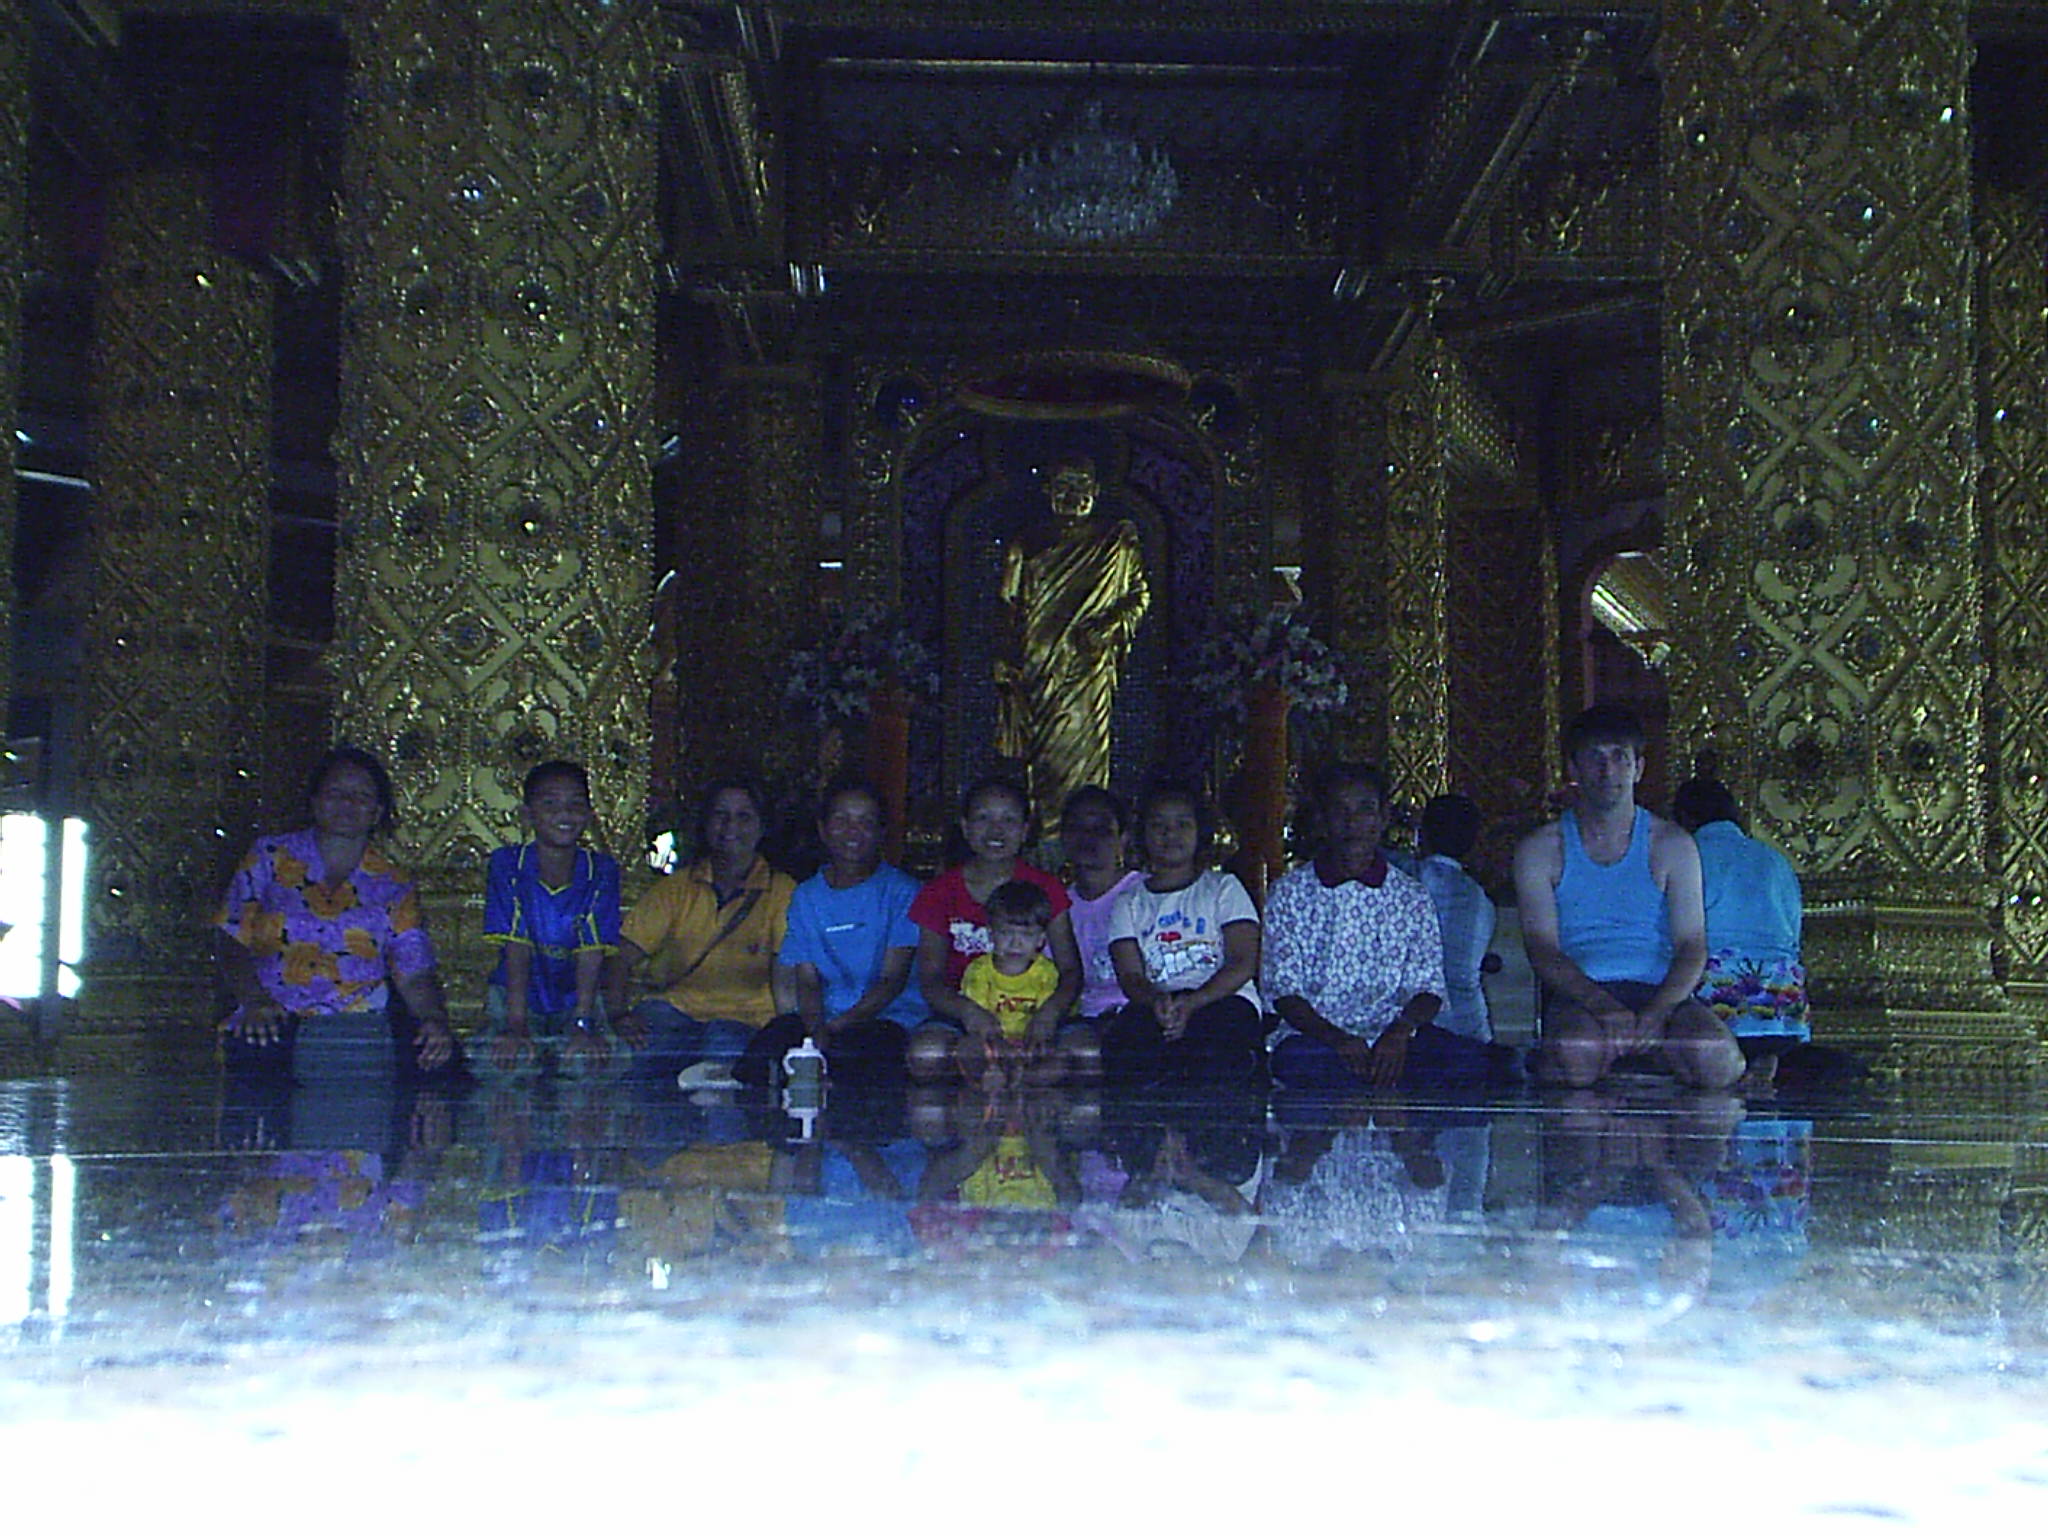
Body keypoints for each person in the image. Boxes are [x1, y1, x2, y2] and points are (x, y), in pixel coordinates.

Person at [215, 745, 455, 1146]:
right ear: (314, 801)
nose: (347, 804)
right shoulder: (269, 858)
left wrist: (433, 1020)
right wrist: (254, 1000)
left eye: (361, 796)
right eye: (336, 793)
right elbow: (231, 936)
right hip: (273, 1017)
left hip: (357, 1025)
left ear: (377, 812)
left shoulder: (393, 883)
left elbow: (414, 969)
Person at [1512, 706, 1743, 1091]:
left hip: (1662, 994)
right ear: (1574, 769)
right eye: (1595, 758)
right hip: (1583, 996)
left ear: (1638, 769)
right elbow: (1542, 948)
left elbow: (1692, 945)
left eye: (1620, 757)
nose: (1608, 771)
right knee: (1575, 1051)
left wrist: (1659, 1011)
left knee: (1716, 1057)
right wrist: (1602, 1005)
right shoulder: (1540, 849)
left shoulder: (1673, 844)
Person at [1264, 763, 1463, 1091]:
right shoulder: (1289, 893)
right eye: (1339, 811)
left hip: (1394, 1037)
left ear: (1383, 817)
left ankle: (1374, 1079)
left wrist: (1399, 1033)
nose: (1352, 822)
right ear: (1323, 820)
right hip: (1318, 1039)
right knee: (1296, 1061)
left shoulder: (1411, 896)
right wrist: (1338, 1040)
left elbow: (1429, 990)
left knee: (1463, 1061)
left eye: (1365, 809)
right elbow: (1284, 992)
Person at [736, 777, 923, 1088]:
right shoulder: (807, 896)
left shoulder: (903, 892)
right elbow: (807, 978)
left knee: (857, 1059)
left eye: (865, 822)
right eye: (842, 820)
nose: (853, 831)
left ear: (881, 832)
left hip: (886, 1017)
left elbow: (892, 980)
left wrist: (836, 1027)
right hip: (824, 1016)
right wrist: (815, 1028)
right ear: (823, 829)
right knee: (764, 1052)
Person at [612, 776, 795, 1081]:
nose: (730, 826)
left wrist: (790, 1034)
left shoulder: (782, 891)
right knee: (636, 1056)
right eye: (721, 815)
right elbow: (622, 957)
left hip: (746, 1018)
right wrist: (619, 1015)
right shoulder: (677, 888)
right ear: (706, 823)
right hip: (674, 1010)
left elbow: (785, 979)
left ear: (762, 826)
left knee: (722, 1058)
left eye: (743, 817)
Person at [994, 457, 1151, 815]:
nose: (1072, 496)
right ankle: (1042, 826)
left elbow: (1139, 596)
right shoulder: (1027, 542)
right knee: (1041, 752)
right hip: (1038, 663)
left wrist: (1107, 626)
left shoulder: (1115, 542)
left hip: (1087, 664)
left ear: (1096, 491)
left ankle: (1088, 822)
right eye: (1064, 487)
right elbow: (1007, 605)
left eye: (1081, 487)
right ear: (1047, 490)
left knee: (1084, 746)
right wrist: (1005, 655)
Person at [906, 776, 1082, 1082]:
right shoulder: (939, 892)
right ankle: (992, 1090)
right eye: (983, 818)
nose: (996, 830)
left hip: (1035, 1010)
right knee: (926, 1055)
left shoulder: (1047, 887)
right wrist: (968, 1012)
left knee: (1085, 1053)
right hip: (967, 1014)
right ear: (965, 827)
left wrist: (1049, 1013)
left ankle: (1011, 1086)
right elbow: (931, 980)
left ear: (1025, 830)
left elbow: (1071, 970)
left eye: (1008, 820)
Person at [1102, 782, 1265, 1087]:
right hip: (1160, 1002)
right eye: (1159, 825)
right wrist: (1158, 1002)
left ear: (1199, 831)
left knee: (1213, 1044)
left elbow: (1243, 962)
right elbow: (1130, 975)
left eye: (1182, 824)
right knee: (1123, 1046)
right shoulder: (1129, 902)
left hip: (1222, 997)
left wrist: (1194, 1002)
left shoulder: (1224, 887)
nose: (1170, 834)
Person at [480, 760, 622, 1074]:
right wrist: (516, 1023)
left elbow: (591, 951)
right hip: (516, 997)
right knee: (506, 1063)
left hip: (577, 997)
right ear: (527, 814)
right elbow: (517, 946)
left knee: (589, 1064)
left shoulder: (601, 869)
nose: (564, 814)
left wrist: (583, 1023)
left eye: (575, 804)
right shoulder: (508, 864)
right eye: (550, 804)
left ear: (589, 814)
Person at [1671, 776, 1809, 1088]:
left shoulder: (1687, 855)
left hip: (1718, 1005)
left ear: (1684, 818)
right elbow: (1794, 932)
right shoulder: (1775, 859)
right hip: (1783, 1002)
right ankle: (1763, 1063)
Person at [1059, 785, 1144, 1064]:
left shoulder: (1145, 893)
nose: (1088, 838)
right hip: (1083, 1022)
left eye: (1102, 829)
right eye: (1077, 828)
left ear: (1123, 838)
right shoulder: (1058, 905)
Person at [957, 880, 1063, 1088]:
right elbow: (979, 1024)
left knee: (1059, 1060)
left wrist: (1027, 1048)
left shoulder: (1046, 973)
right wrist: (999, 1048)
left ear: (1041, 939)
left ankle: (1019, 1078)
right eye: (1006, 933)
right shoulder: (979, 971)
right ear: (991, 934)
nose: (1016, 943)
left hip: (1031, 1044)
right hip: (994, 1044)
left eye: (1027, 935)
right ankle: (998, 1075)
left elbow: (1045, 1024)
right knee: (969, 1048)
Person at [1415, 792, 1499, 1048]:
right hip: (1466, 1028)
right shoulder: (1481, 902)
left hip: (1403, 1031)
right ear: (1475, 843)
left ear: (1422, 835)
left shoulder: (1400, 878)